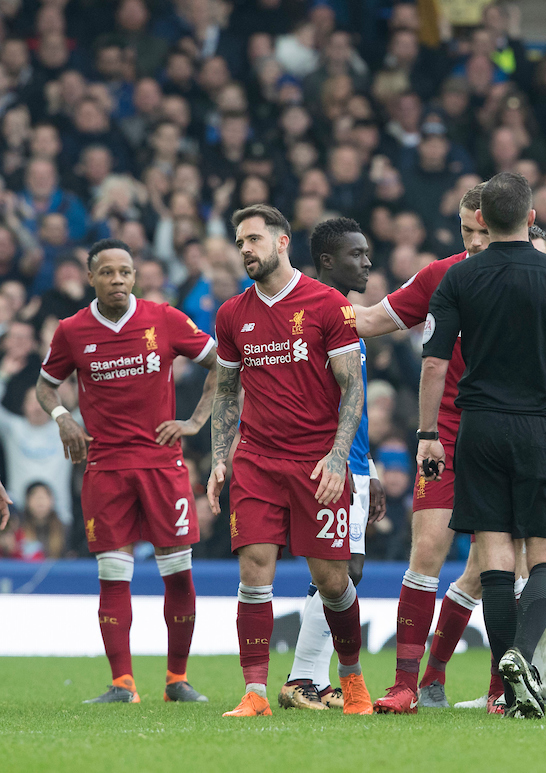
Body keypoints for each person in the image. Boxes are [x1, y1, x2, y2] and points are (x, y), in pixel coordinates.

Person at [417, 172, 546, 718]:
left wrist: (429, 434)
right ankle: (521, 655)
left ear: (481, 221)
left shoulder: (458, 279)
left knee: (494, 557)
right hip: (542, 426)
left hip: (478, 428)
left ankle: (512, 685)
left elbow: (433, 363)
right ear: (530, 217)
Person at [206, 204, 371, 717]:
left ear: (282, 243)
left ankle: (352, 680)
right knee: (255, 570)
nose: (245, 249)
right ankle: (255, 692)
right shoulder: (232, 313)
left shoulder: (326, 305)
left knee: (333, 580)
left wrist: (340, 456)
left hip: (316, 462)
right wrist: (218, 460)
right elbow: (227, 392)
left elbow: (352, 386)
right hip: (257, 459)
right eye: (239, 242)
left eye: (254, 238)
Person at [37, 238, 219, 704]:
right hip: (106, 468)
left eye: (125, 271)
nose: (118, 279)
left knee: (178, 573)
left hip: (162, 464)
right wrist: (63, 419)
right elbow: (45, 386)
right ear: (91, 276)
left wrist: (196, 422)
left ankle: (176, 680)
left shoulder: (165, 318)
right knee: (113, 575)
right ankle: (123, 684)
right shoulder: (72, 330)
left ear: (135, 276)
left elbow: (223, 363)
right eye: (108, 272)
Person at [352, 184, 498, 714]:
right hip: (446, 433)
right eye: (467, 230)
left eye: (484, 229)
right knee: (427, 550)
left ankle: (454, 679)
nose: (476, 240)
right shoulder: (439, 275)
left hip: (507, 434)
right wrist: (304, 303)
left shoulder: (534, 277)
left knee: (491, 567)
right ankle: (406, 684)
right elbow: (369, 320)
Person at [278, 218, 385, 711]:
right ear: (326, 261)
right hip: (331, 463)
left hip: (356, 462)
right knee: (341, 571)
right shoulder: (316, 312)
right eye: (356, 254)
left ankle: (311, 680)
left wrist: (372, 468)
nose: (367, 262)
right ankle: (303, 678)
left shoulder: (344, 314)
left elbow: (352, 400)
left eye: (367, 253)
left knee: (341, 571)